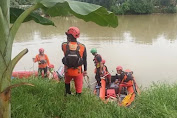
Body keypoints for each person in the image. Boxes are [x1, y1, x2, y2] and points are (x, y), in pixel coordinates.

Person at [62, 26, 87, 96]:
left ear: (69, 36)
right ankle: (78, 96)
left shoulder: (64, 45)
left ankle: (67, 93)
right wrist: (85, 70)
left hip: (67, 70)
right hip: (78, 71)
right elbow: (85, 59)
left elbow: (64, 53)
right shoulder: (82, 46)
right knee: (79, 86)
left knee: (67, 81)